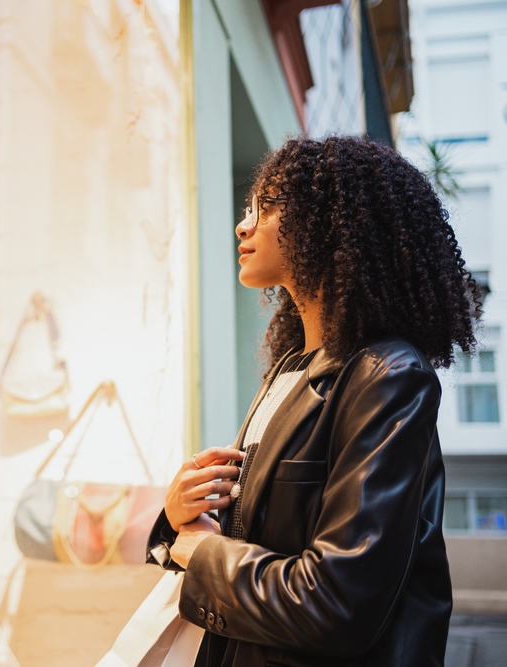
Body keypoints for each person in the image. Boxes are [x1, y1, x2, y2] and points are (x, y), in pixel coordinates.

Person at [146, 136, 478, 667]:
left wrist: (202, 553)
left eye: (268, 207)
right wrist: (180, 516)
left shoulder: (389, 375)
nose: (244, 225)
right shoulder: (290, 371)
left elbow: (338, 601)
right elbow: (257, 541)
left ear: (332, 223)